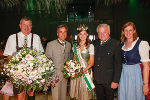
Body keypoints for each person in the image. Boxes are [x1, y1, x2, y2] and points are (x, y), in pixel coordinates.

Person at [3, 16, 44, 100]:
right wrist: (13, 72)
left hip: (33, 72)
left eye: (29, 25)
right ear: (20, 25)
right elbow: (9, 56)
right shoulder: (12, 38)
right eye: (24, 25)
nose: (26, 27)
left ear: (31, 27)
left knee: (31, 93)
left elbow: (40, 55)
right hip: (17, 72)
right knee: (20, 95)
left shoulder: (36, 37)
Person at [118, 22, 149, 100]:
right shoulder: (122, 45)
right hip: (123, 75)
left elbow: (146, 66)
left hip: (135, 75)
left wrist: (145, 84)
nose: (128, 33)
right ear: (123, 32)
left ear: (134, 31)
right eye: (126, 30)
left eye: (130, 30)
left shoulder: (141, 44)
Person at [93, 24, 122, 100]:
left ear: (109, 32)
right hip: (97, 80)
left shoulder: (116, 44)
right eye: (99, 32)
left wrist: (116, 81)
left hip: (109, 81)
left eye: (104, 32)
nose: (102, 34)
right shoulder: (95, 43)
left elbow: (118, 65)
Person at [45, 24, 71, 100]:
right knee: (56, 97)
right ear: (57, 33)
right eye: (61, 32)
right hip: (55, 76)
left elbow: (68, 59)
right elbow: (47, 62)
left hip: (65, 76)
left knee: (63, 97)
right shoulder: (50, 44)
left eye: (65, 32)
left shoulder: (69, 45)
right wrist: (50, 78)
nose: (63, 34)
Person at [70, 24, 95, 100]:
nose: (82, 35)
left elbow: (92, 63)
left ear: (87, 34)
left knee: (86, 95)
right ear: (78, 35)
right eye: (81, 34)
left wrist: (83, 71)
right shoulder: (75, 46)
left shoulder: (90, 46)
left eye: (84, 33)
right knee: (78, 94)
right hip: (78, 73)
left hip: (86, 72)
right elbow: (74, 60)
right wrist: (72, 70)